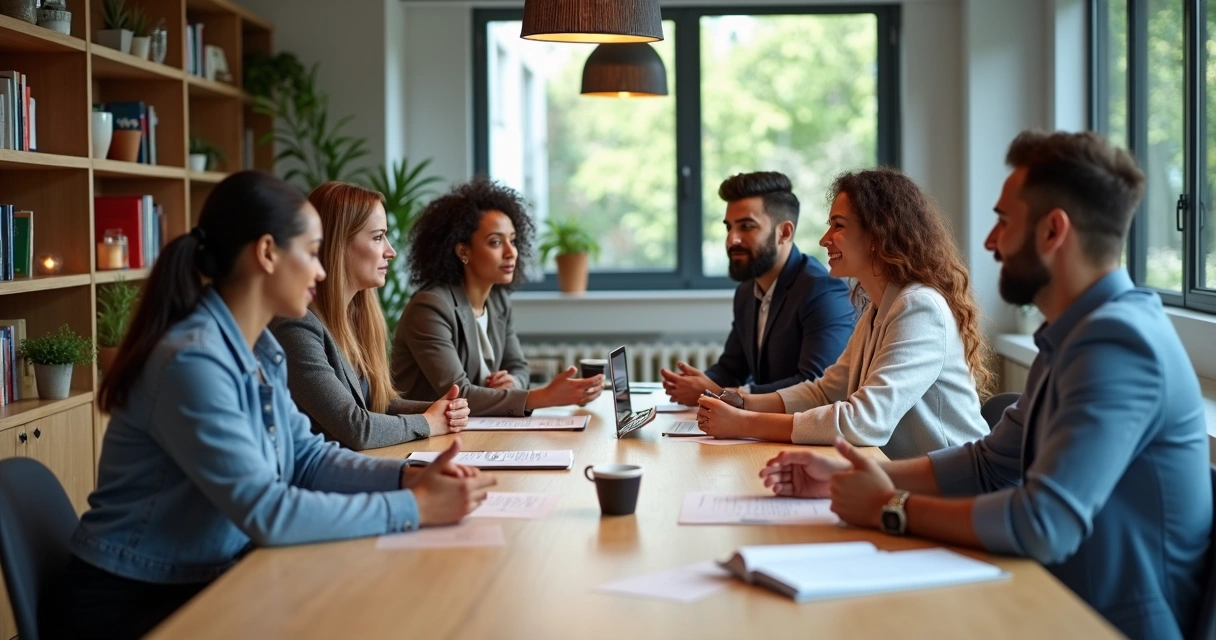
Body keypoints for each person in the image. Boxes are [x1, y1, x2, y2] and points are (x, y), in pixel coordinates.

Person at [760, 131, 1212, 640]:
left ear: (1052, 231)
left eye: (1003, 222)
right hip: (1050, 596)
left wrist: (890, 507)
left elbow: (1044, 523)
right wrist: (847, 473)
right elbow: (989, 462)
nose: (990, 242)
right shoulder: (1072, 334)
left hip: (1099, 619)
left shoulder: (1119, 344)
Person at [39, 171, 495, 640]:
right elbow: (268, 511)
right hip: (133, 602)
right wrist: (414, 507)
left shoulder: (258, 351)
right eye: (313, 253)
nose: (321, 271)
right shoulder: (192, 362)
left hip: (203, 577)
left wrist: (406, 476)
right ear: (267, 253)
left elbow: (308, 458)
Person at [697, 168, 991, 460]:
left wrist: (744, 422)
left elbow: (865, 420)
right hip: (901, 478)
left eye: (838, 226)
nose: (824, 239)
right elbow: (824, 392)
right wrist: (742, 402)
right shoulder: (876, 309)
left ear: (877, 234)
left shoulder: (918, 308)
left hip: (953, 487)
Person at [271, 181, 469, 450]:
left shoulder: (355, 315)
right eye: (377, 237)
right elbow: (356, 427)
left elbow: (377, 403)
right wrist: (427, 422)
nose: (390, 250)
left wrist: (441, 411)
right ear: (338, 244)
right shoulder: (296, 325)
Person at [391, 177, 603, 416]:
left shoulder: (498, 300)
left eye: (512, 240)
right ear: (463, 251)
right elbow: (458, 393)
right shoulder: (430, 307)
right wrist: (542, 396)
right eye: (495, 242)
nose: (511, 252)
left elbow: (518, 366)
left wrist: (512, 382)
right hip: (425, 438)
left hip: (476, 428)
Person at [660, 172, 854, 404]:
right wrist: (695, 384)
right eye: (729, 227)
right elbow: (732, 369)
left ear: (784, 232)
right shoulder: (746, 291)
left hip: (806, 434)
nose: (732, 240)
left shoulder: (822, 291)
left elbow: (815, 385)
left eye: (746, 227)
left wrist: (728, 395)